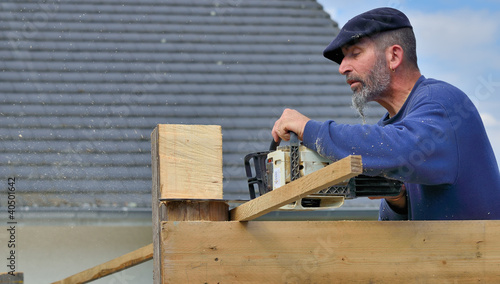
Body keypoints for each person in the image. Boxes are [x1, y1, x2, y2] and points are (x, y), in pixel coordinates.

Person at [271, 7, 500, 220]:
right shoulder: (391, 132)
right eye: (343, 58)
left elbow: (400, 149)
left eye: (355, 53)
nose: (342, 68)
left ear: (394, 56)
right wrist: (397, 200)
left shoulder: (442, 103)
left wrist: (310, 130)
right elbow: (401, 232)